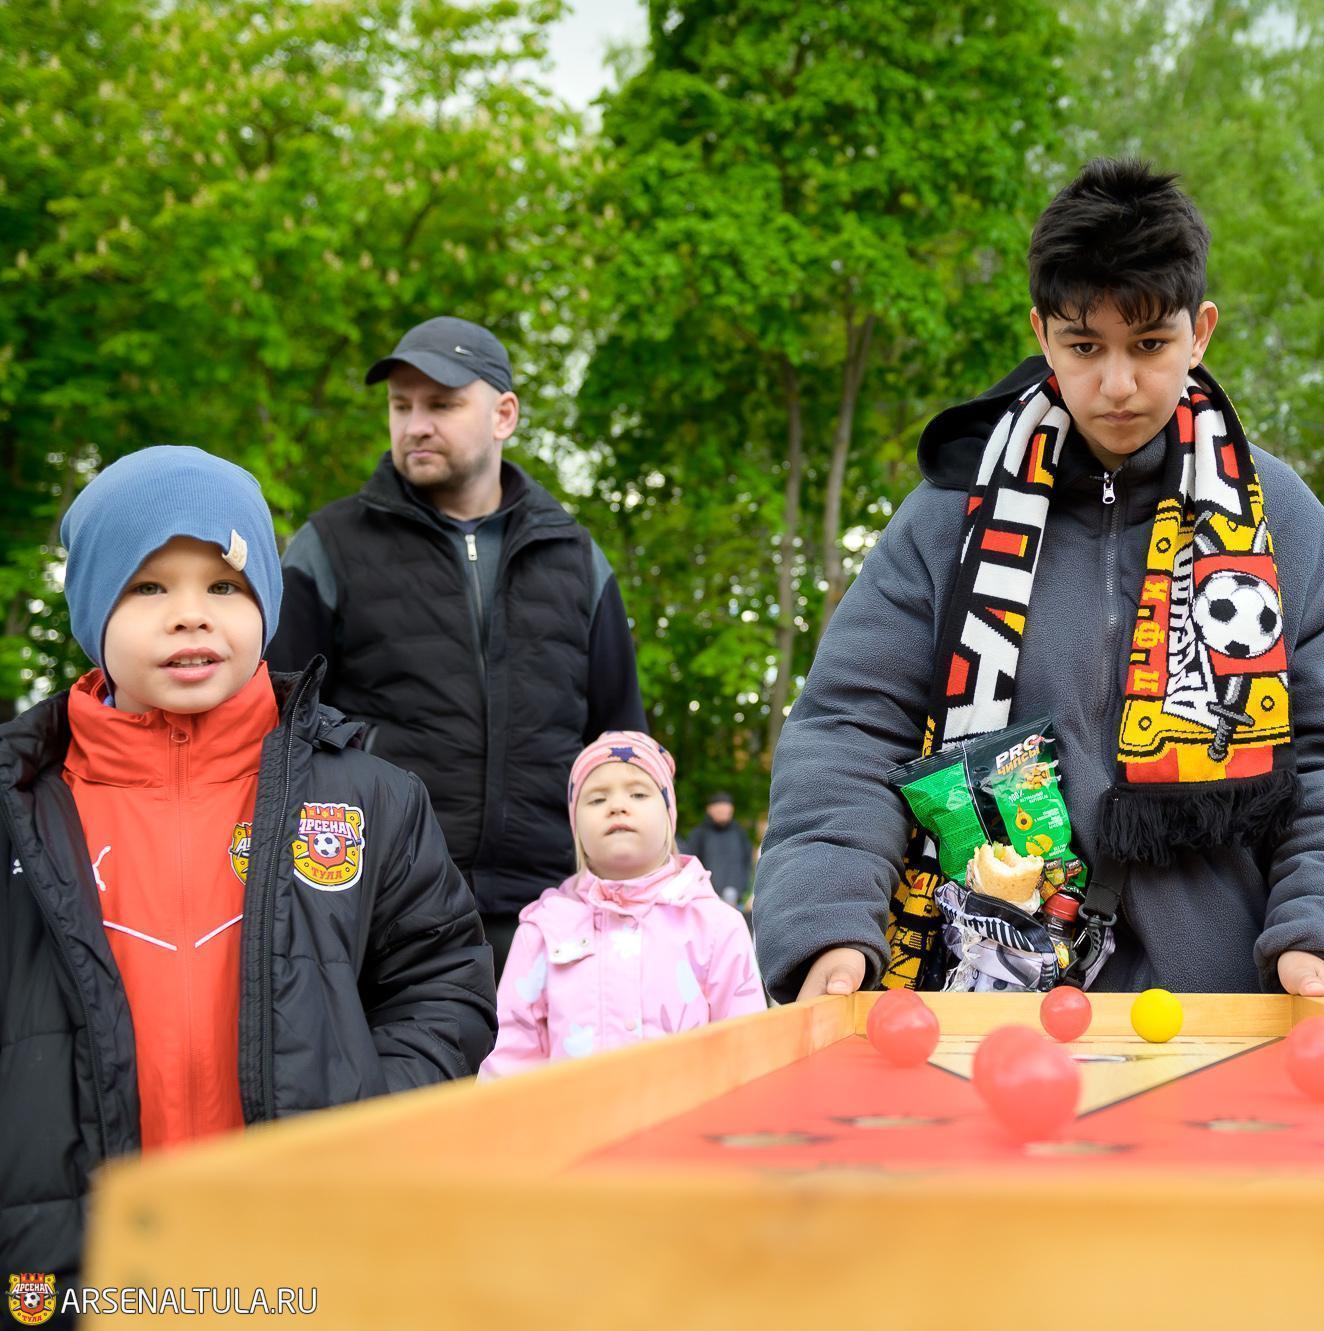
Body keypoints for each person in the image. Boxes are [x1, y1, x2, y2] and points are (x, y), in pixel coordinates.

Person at [751, 159, 1324, 1008]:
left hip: (1226, 1008)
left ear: (1200, 332)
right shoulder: (945, 518)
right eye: (1083, 347)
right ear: (1042, 334)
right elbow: (850, 729)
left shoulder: (1281, 518)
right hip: (984, 1006)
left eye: (1149, 346)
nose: (1117, 384)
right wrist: (823, 928)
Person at [0, 448, 496, 1288]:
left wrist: (368, 1105)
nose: (191, 616)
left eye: (224, 586)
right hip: (72, 1258)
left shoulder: (368, 796)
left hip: (308, 1248)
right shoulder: (20, 808)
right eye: (148, 586)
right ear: (90, 608)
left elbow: (443, 979)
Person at [270, 316, 646, 974]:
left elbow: (622, 743)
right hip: (381, 910)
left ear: (504, 415)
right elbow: (277, 726)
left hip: (553, 916)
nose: (415, 425)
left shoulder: (575, 558)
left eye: (442, 405)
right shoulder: (328, 547)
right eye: (401, 406)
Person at [482, 734, 764, 1078]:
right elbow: (510, 1062)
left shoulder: (716, 926)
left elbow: (748, 1054)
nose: (617, 805)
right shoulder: (543, 931)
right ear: (575, 826)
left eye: (638, 794)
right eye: (597, 798)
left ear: (669, 816)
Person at [681, 790, 756, 911]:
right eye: (719, 809)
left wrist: (744, 889)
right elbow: (691, 865)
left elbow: (748, 862)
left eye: (726, 808)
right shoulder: (699, 834)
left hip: (737, 900)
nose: (723, 812)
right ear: (709, 809)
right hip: (707, 900)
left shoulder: (739, 833)